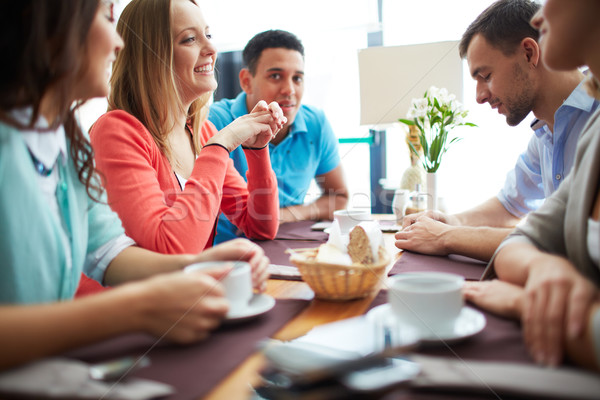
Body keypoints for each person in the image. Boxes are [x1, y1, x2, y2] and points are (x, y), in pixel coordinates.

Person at [0, 0, 270, 371]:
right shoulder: (115, 129)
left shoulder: (61, 139)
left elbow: (108, 251)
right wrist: (138, 306)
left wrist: (198, 265)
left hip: (59, 363)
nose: (118, 43)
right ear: (50, 28)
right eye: (105, 20)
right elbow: (166, 247)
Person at [395, 0, 599, 262]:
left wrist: (446, 237)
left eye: (486, 76)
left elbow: (562, 241)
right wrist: (451, 221)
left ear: (528, 53)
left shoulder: (593, 120)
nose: (479, 97)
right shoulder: (545, 133)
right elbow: (509, 204)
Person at [464, 0, 600, 372]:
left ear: (528, 52)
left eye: (485, 75)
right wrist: (541, 267)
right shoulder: (590, 136)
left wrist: (524, 302)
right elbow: (521, 235)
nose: (540, 16)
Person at [91, 0, 286, 259]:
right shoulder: (116, 131)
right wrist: (222, 144)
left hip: (188, 295)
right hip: (132, 299)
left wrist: (257, 148)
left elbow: (260, 226)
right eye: (190, 39)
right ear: (150, 56)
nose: (211, 48)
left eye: (208, 35)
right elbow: (170, 251)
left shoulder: (201, 131)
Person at [209, 29, 348, 244]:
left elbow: (340, 197)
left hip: (293, 243)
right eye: (275, 76)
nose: (289, 90)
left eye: (297, 78)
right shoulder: (215, 121)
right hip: (231, 249)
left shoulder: (316, 123)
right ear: (246, 81)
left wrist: (290, 214)